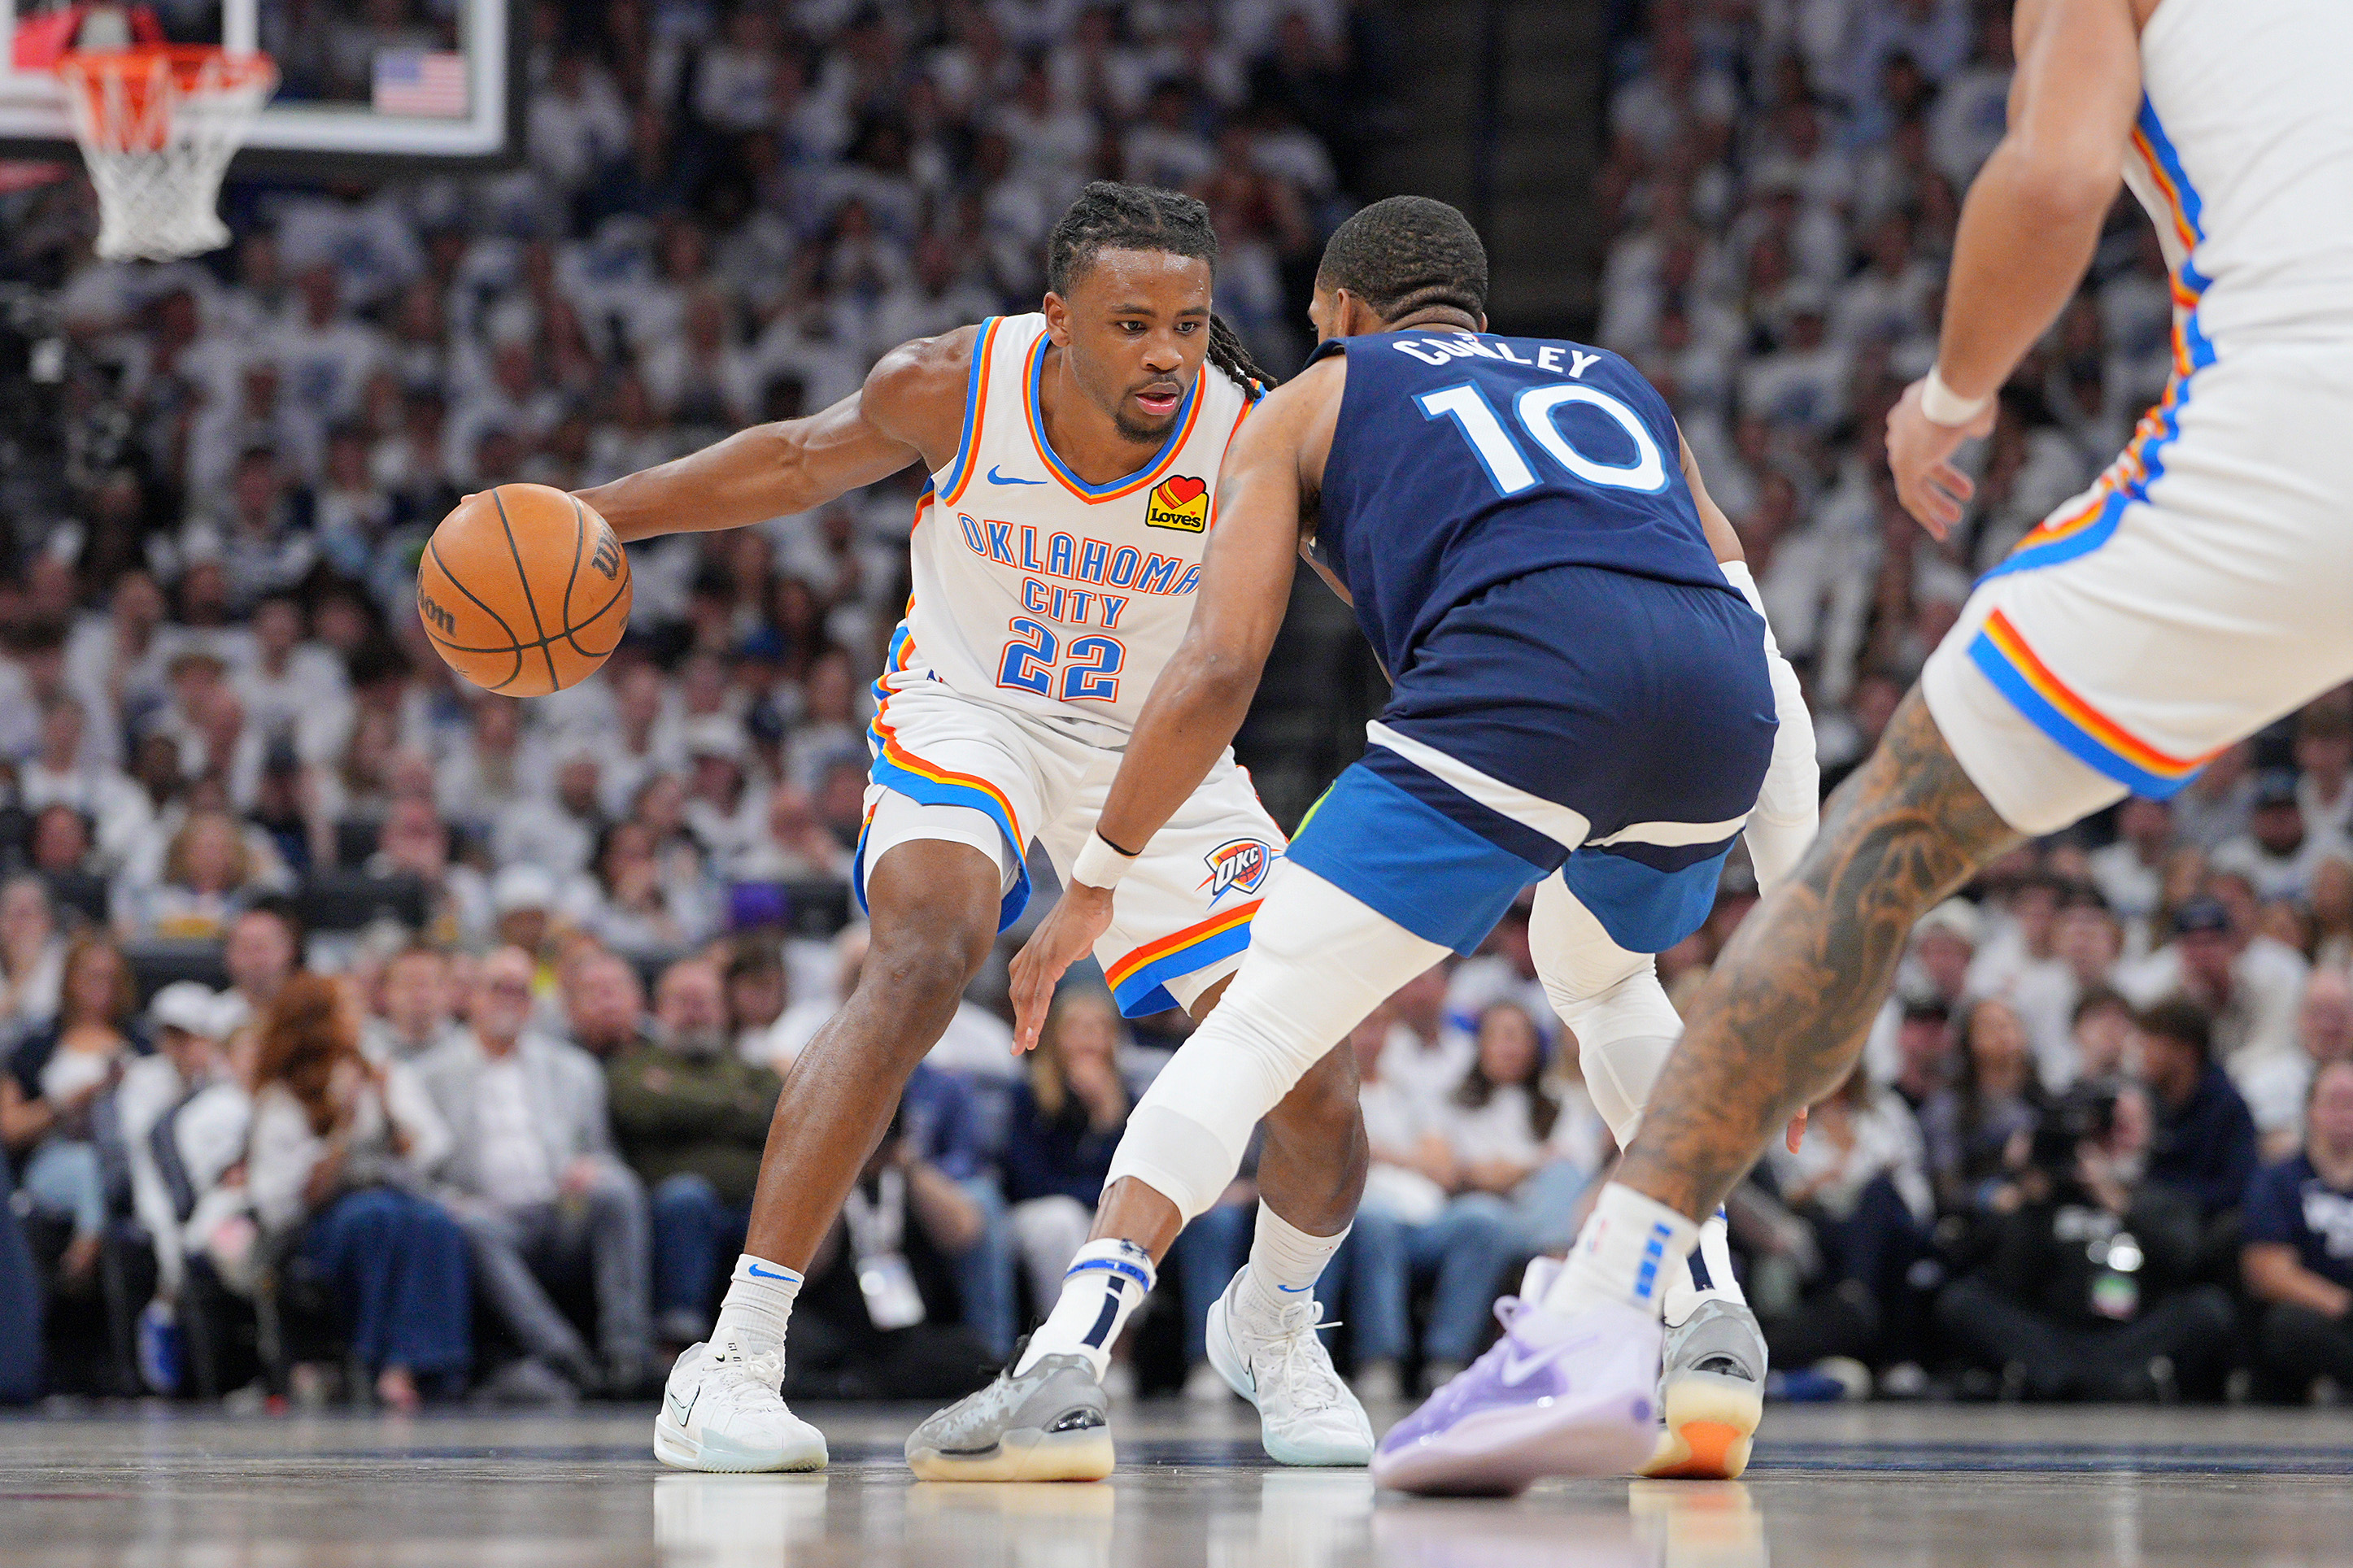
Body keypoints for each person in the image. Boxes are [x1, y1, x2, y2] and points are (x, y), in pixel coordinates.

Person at [1497, 0, 2353, 1490]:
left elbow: (2054, 173)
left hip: (2300, 427)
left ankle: (1601, 1315)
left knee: (1881, 844)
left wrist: (1949, 396)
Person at [953, 193, 1818, 1489]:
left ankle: (1064, 1362)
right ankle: (1709, 1315)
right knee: (1600, 977)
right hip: (1717, 706)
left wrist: (1099, 876)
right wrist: (1804, 962)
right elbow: (1757, 643)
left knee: (1257, 1025)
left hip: (1523, 691)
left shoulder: (1311, 400)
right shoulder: (1615, 380)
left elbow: (1219, 667)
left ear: (1343, 311)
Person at [600, 182, 1366, 1474]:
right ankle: (730, 1357)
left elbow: (1365, 582)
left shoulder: (1253, 431)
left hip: (1159, 748)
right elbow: (791, 461)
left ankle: (1274, 1324)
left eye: (1188, 324)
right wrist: (596, 513)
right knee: (927, 948)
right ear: (1056, 318)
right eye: (1132, 324)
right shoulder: (953, 384)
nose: (1168, 354)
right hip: (972, 711)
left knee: (1317, 1077)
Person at [417, 947, 654, 1397]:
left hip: (560, 1209)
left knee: (618, 1189)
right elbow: (418, 1172)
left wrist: (592, 1168)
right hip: (487, 1215)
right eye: (498, 989)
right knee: (473, 1226)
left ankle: (627, 1354)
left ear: (534, 1004)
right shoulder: (430, 1075)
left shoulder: (574, 1069)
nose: (509, 1001)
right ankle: (565, 1356)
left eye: (520, 991)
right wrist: (452, 1201)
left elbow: (602, 1152)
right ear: (472, 997)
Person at [245, 974, 469, 1413]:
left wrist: (385, 1107)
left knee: (435, 1222)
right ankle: (372, 1360)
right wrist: (343, 1126)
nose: (360, 1017)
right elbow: (283, 1204)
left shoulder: (381, 1071)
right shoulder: (282, 1097)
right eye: (346, 1009)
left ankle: (420, 1366)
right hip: (318, 1226)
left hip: (394, 1199)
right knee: (376, 1216)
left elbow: (431, 1153)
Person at [1319, 1007, 1517, 1400]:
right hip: (1362, 1216)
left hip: (1426, 1217)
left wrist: (1381, 1153)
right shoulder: (1327, 1095)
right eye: (1362, 1027)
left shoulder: (1408, 1094)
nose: (1371, 1038)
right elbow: (1337, 1162)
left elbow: (1444, 1169)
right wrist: (1410, 1157)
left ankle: (1447, 1359)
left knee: (1487, 1218)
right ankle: (1380, 1361)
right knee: (1375, 1220)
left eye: (1379, 1027)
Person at [608, 957, 782, 1344]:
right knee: (688, 1197)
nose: (694, 1011)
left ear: (724, 1008)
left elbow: (770, 1118)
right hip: (668, 1208)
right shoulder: (633, 1067)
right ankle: (679, 1332)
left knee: (776, 1209)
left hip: (745, 1205)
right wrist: (735, 1105)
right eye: (682, 1000)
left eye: (704, 1001)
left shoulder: (754, 1070)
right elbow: (639, 1109)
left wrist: (677, 1100)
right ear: (658, 1009)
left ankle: (764, 1337)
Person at [1, 934, 145, 1286]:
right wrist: (70, 1101)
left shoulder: (141, 1044)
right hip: (54, 1161)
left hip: (127, 1164)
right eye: (92, 976)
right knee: (86, 1165)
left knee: (106, 1166)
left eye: (110, 977)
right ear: (70, 980)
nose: (102, 986)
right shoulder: (38, 1045)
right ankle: (87, 1244)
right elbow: (10, 1127)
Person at [2242, 1058, 2353, 1400]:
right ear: (2310, 1111)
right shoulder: (2278, 1180)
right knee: (2288, 1325)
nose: (2345, 1115)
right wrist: (2343, 1305)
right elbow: (2267, 1271)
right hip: (2318, 1316)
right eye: (2335, 1102)